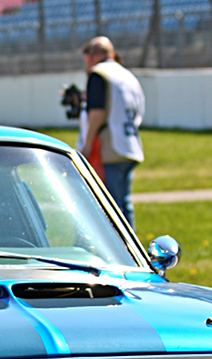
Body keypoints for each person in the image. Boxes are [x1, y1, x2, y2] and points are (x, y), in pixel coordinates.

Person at [78, 36, 145, 228]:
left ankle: (121, 252)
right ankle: (131, 250)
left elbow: (97, 113)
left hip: (108, 148)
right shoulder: (127, 76)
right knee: (124, 204)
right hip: (129, 145)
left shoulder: (99, 75)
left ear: (91, 56)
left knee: (110, 207)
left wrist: (87, 143)